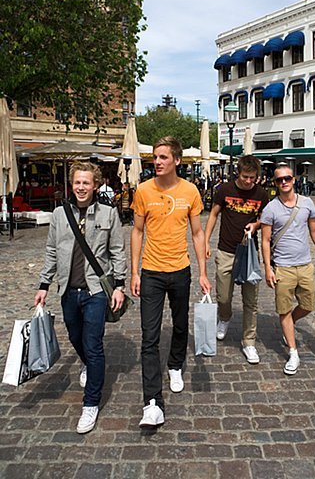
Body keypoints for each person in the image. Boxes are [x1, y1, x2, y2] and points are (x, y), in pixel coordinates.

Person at [34, 162, 127, 434]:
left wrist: (119, 285)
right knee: (75, 338)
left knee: (93, 343)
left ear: (95, 185)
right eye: (77, 183)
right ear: (71, 185)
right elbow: (52, 250)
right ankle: (87, 363)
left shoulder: (109, 213)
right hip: (68, 290)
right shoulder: (60, 214)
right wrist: (44, 284)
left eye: (86, 183)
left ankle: (91, 404)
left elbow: (118, 251)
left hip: (96, 291)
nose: (81, 187)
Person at [130, 136, 211, 428]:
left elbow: (198, 233)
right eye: (155, 156)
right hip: (151, 272)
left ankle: (175, 365)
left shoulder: (190, 191)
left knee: (180, 325)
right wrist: (135, 271)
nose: (158, 161)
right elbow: (137, 231)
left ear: (177, 160)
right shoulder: (142, 190)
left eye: (164, 157)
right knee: (148, 337)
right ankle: (152, 402)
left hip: (180, 270)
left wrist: (203, 271)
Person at [261, 164, 315, 376]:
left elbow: (314, 230)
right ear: (274, 183)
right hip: (282, 267)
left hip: (305, 265)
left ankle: (289, 325)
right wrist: (268, 267)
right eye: (279, 180)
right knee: (283, 309)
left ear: (294, 179)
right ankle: (293, 352)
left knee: (308, 305)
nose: (283, 182)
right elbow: (265, 241)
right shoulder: (271, 208)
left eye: (287, 178)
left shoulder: (307, 203)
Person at [204, 155, 269, 364]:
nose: (249, 181)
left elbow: (265, 219)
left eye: (252, 178)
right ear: (237, 174)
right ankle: (224, 317)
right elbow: (213, 214)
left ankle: (249, 342)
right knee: (223, 297)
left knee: (251, 301)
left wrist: (256, 225)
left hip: (249, 253)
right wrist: (205, 241)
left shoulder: (262, 194)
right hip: (225, 251)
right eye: (245, 177)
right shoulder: (224, 190)